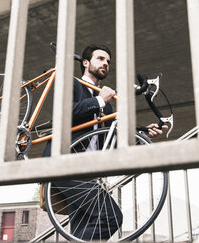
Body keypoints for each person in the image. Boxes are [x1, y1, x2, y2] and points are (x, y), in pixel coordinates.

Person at [43, 44, 167, 240]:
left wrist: (142, 137)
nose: (106, 63)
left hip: (88, 174)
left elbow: (113, 144)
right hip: (63, 163)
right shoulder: (72, 84)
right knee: (111, 217)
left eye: (108, 61)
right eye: (100, 59)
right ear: (85, 63)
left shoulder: (108, 109)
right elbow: (65, 113)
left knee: (82, 230)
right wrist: (99, 101)